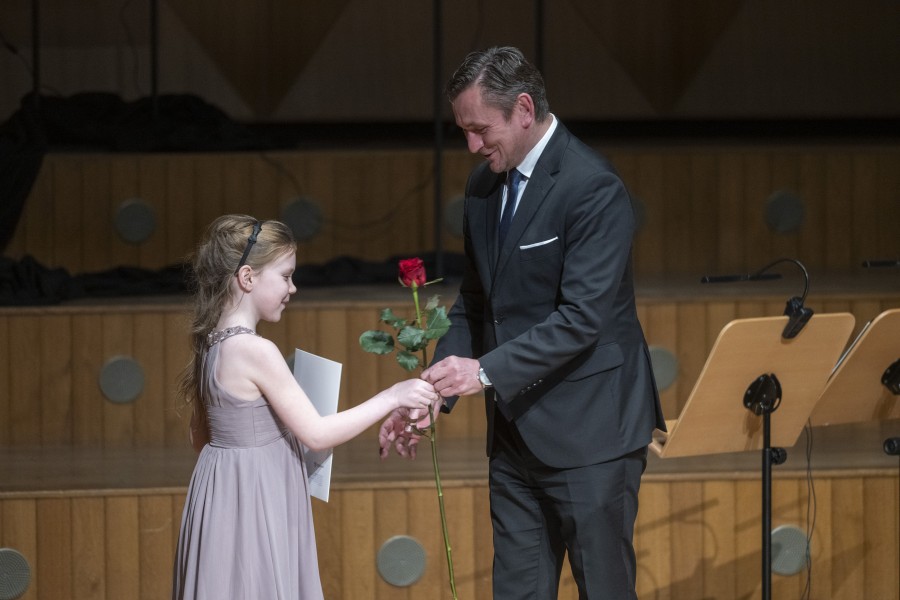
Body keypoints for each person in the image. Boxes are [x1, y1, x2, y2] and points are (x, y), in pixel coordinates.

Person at [379, 47, 666, 599]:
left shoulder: (592, 185)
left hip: (591, 435)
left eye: (480, 130)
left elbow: (581, 319)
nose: (472, 146)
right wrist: (435, 390)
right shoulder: (483, 187)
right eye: (464, 131)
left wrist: (482, 372)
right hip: (514, 437)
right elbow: (476, 301)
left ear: (524, 110)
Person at [172, 215, 438, 600]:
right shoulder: (256, 350)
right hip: (256, 497)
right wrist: (393, 396)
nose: (292, 288)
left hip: (222, 494)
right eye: (285, 276)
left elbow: (200, 438)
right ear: (247, 277)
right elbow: (316, 433)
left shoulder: (210, 344)